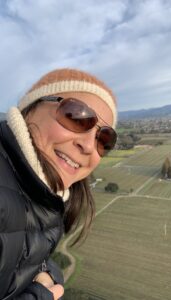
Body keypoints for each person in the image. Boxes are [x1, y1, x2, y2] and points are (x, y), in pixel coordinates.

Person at [0, 68, 117, 299]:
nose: (89, 146)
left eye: (104, 139)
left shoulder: (47, 199)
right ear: (30, 110)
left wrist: (47, 275)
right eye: (75, 116)